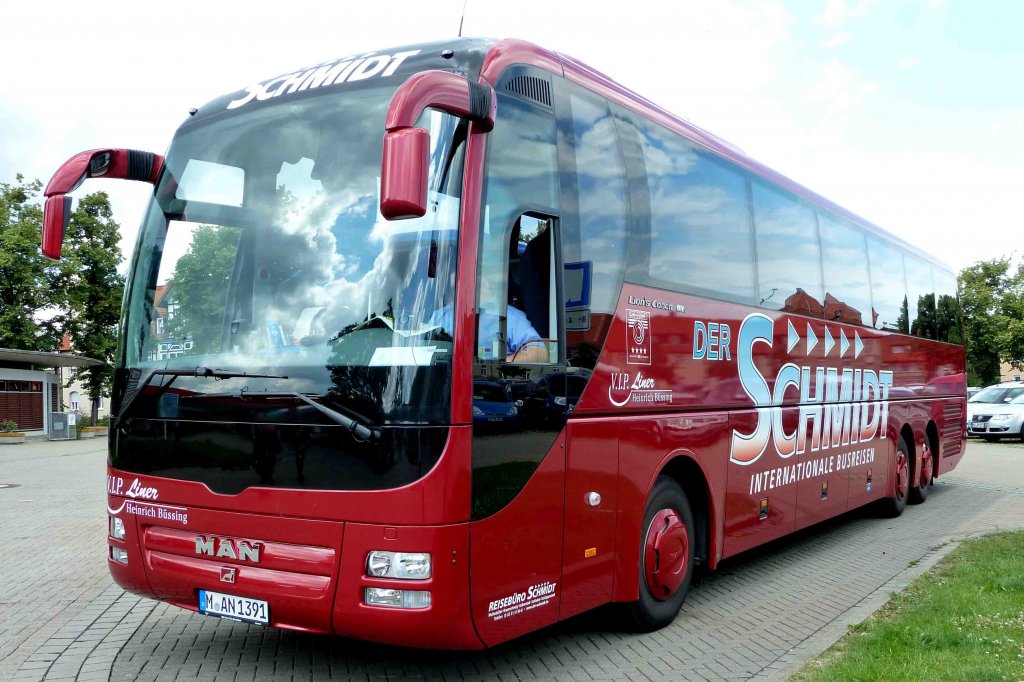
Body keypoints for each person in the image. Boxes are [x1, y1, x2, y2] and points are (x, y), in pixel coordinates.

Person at [426, 302, 548, 363]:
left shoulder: (508, 316)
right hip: (443, 384)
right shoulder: (440, 316)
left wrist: (497, 365)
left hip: (490, 382)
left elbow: (539, 353)